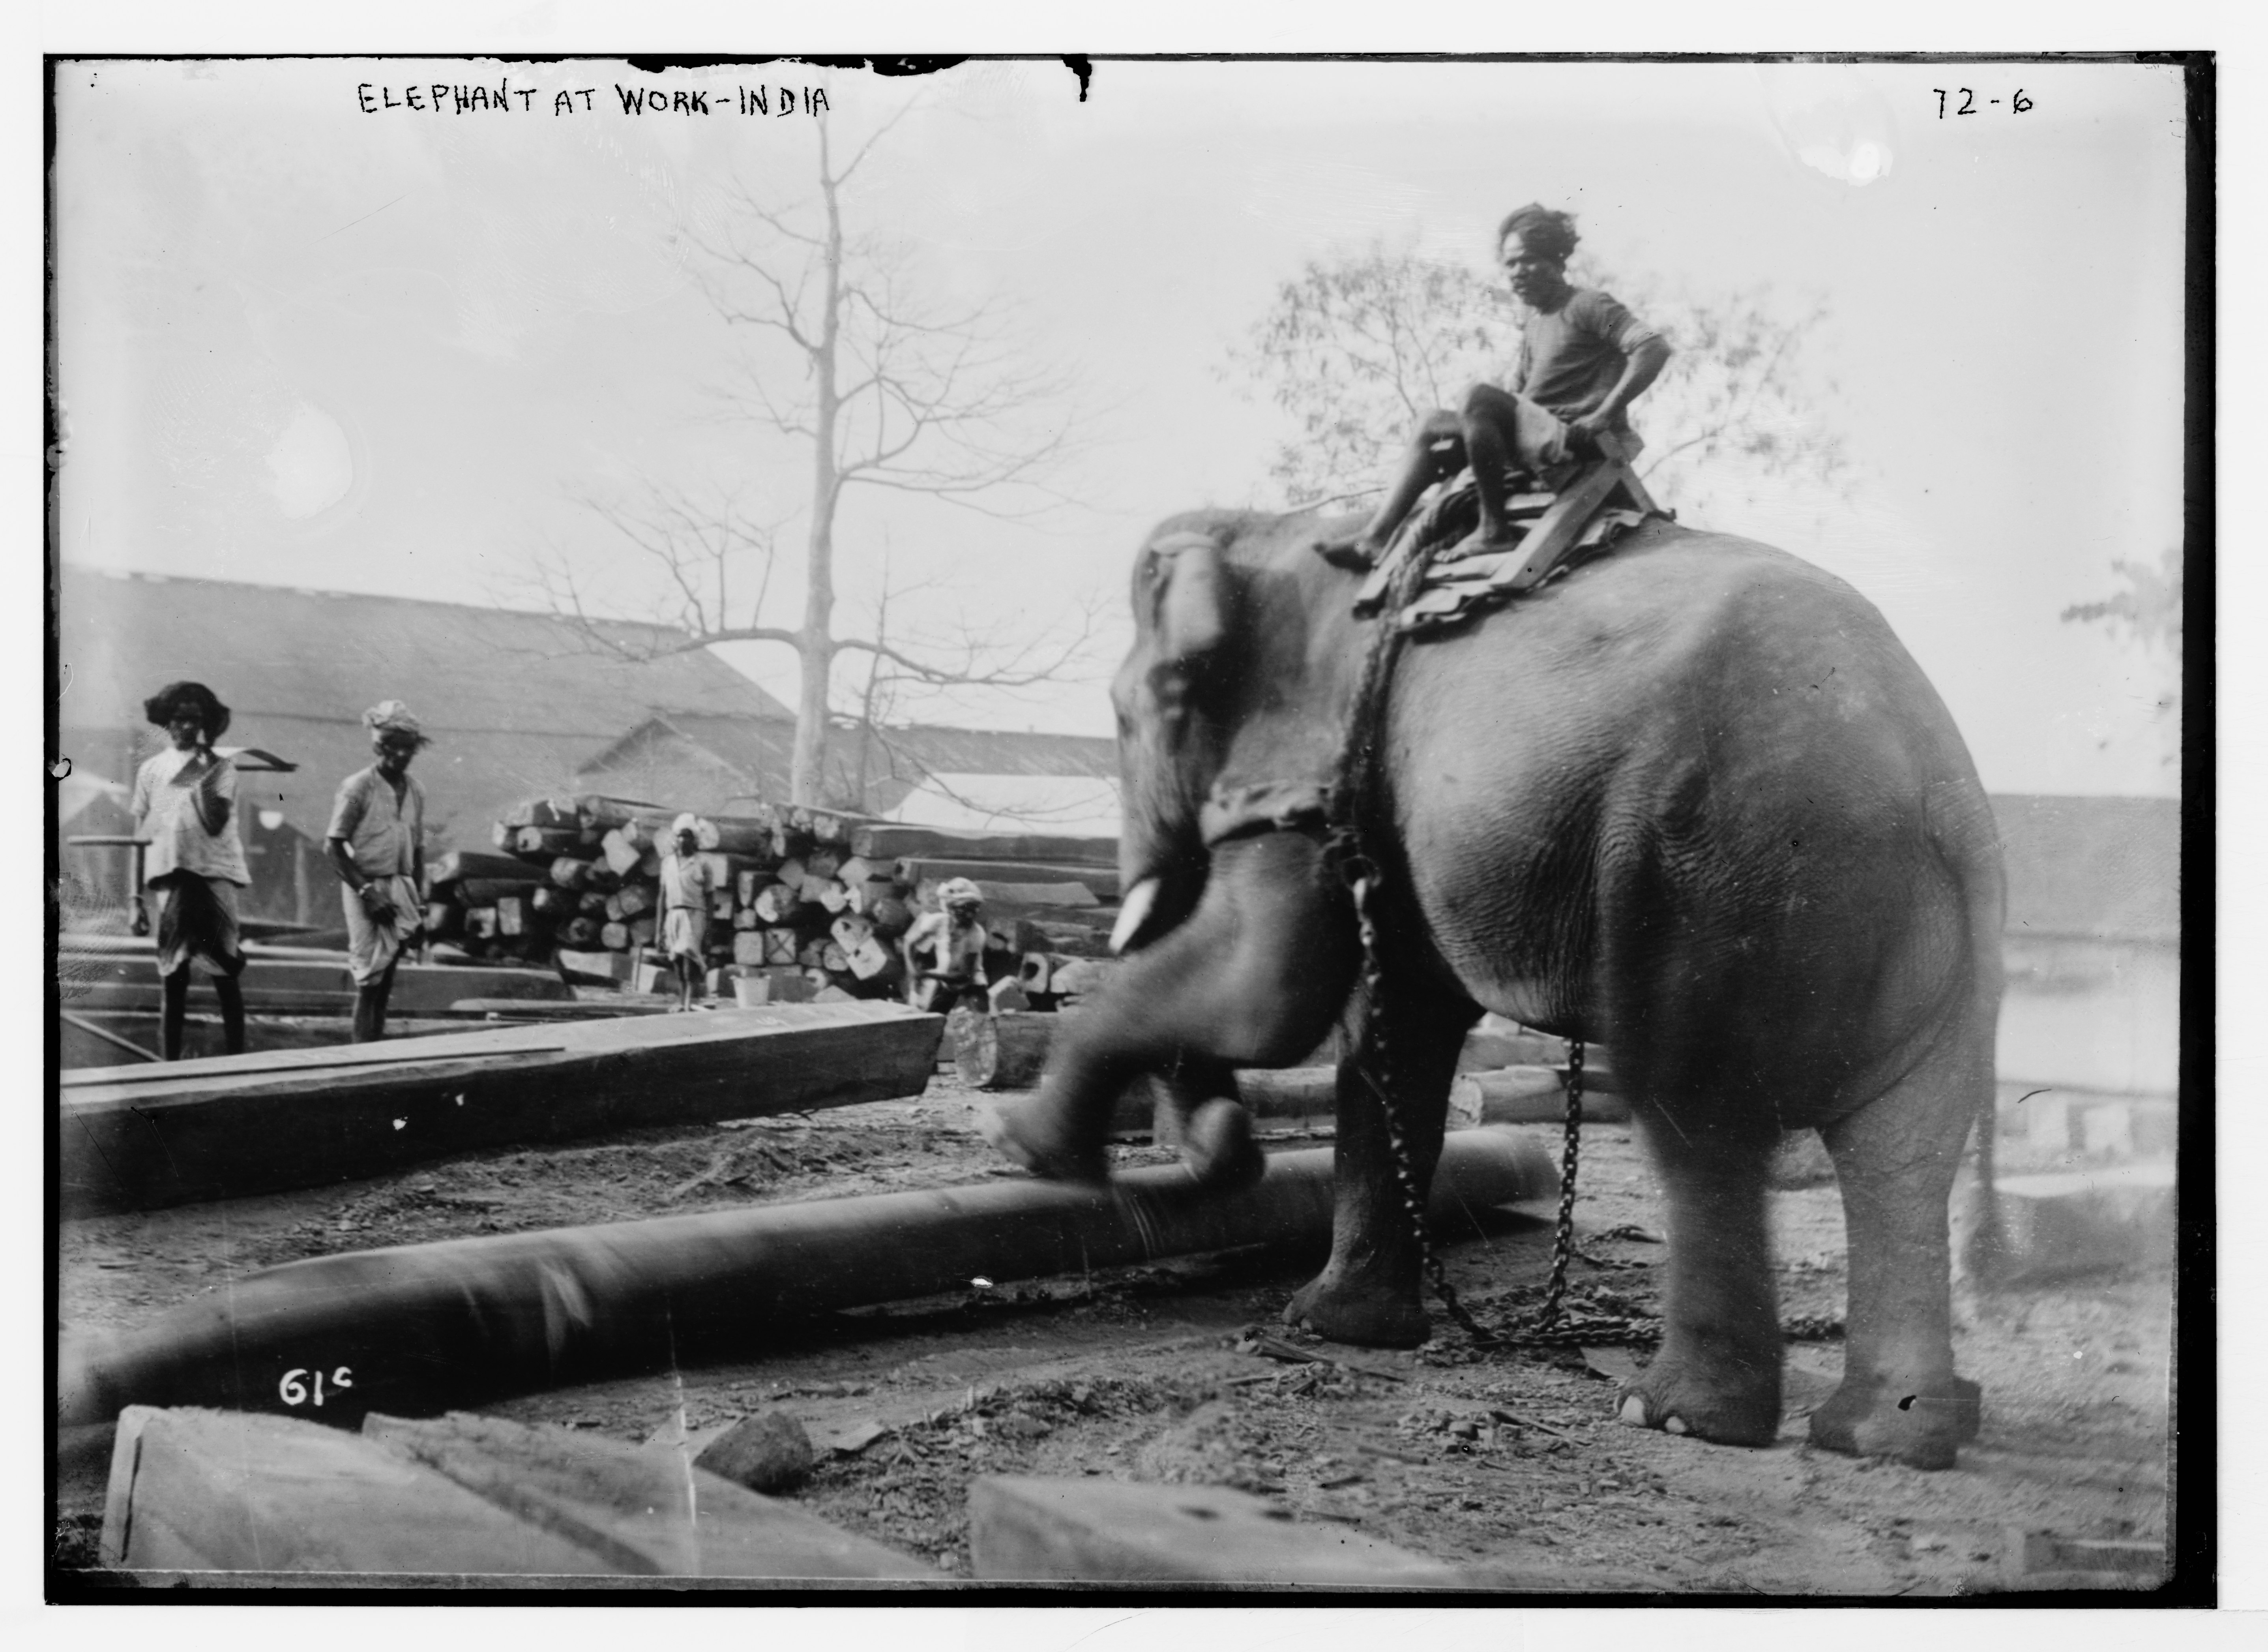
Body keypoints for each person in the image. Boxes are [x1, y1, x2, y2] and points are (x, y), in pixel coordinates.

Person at [1314, 204, 1672, 568]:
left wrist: (1603, 414)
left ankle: (1493, 529)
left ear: (1556, 261)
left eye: (1526, 261)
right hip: (1533, 437)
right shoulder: (1536, 324)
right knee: (1430, 423)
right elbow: (1520, 398)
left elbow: (1652, 347)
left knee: (1476, 397)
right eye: (1509, 265)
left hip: (1572, 438)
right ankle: (1375, 538)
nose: (1516, 273)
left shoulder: (1587, 305)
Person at [131, 681, 251, 1059]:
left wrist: (203, 765)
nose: (187, 727)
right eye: (180, 719)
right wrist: (135, 899)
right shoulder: (151, 769)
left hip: (215, 875)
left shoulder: (221, 766)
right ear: (168, 722)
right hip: (173, 876)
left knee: (225, 971)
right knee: (173, 973)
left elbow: (216, 822)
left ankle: (237, 1061)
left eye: (196, 720)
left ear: (207, 724)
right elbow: (142, 836)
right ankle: (169, 1066)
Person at [326, 700, 429, 1042]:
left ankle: (375, 1055)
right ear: (378, 746)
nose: (400, 754)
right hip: (365, 885)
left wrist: (420, 904)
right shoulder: (359, 786)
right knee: (368, 977)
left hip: (401, 886)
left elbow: (416, 850)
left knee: (388, 977)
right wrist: (367, 892)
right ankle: (360, 1059)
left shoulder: (415, 790)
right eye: (392, 746)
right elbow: (335, 847)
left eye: (407, 747)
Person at [901, 878, 989, 1009]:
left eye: (973, 909)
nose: (970, 914)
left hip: (971, 987)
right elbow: (909, 942)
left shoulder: (976, 934)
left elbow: (964, 976)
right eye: (964, 909)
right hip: (944, 982)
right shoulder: (938, 922)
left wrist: (926, 975)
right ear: (951, 909)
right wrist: (912, 969)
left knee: (974, 1019)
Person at [657, 813, 713, 1011]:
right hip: (674, 915)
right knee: (678, 962)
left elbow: (710, 898)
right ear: (675, 839)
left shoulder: (702, 864)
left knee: (690, 958)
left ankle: (689, 1003)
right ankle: (682, 1001)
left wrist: (709, 931)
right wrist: (659, 930)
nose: (683, 840)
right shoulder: (667, 864)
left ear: (694, 840)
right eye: (680, 836)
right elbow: (662, 897)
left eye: (688, 836)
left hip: (694, 915)